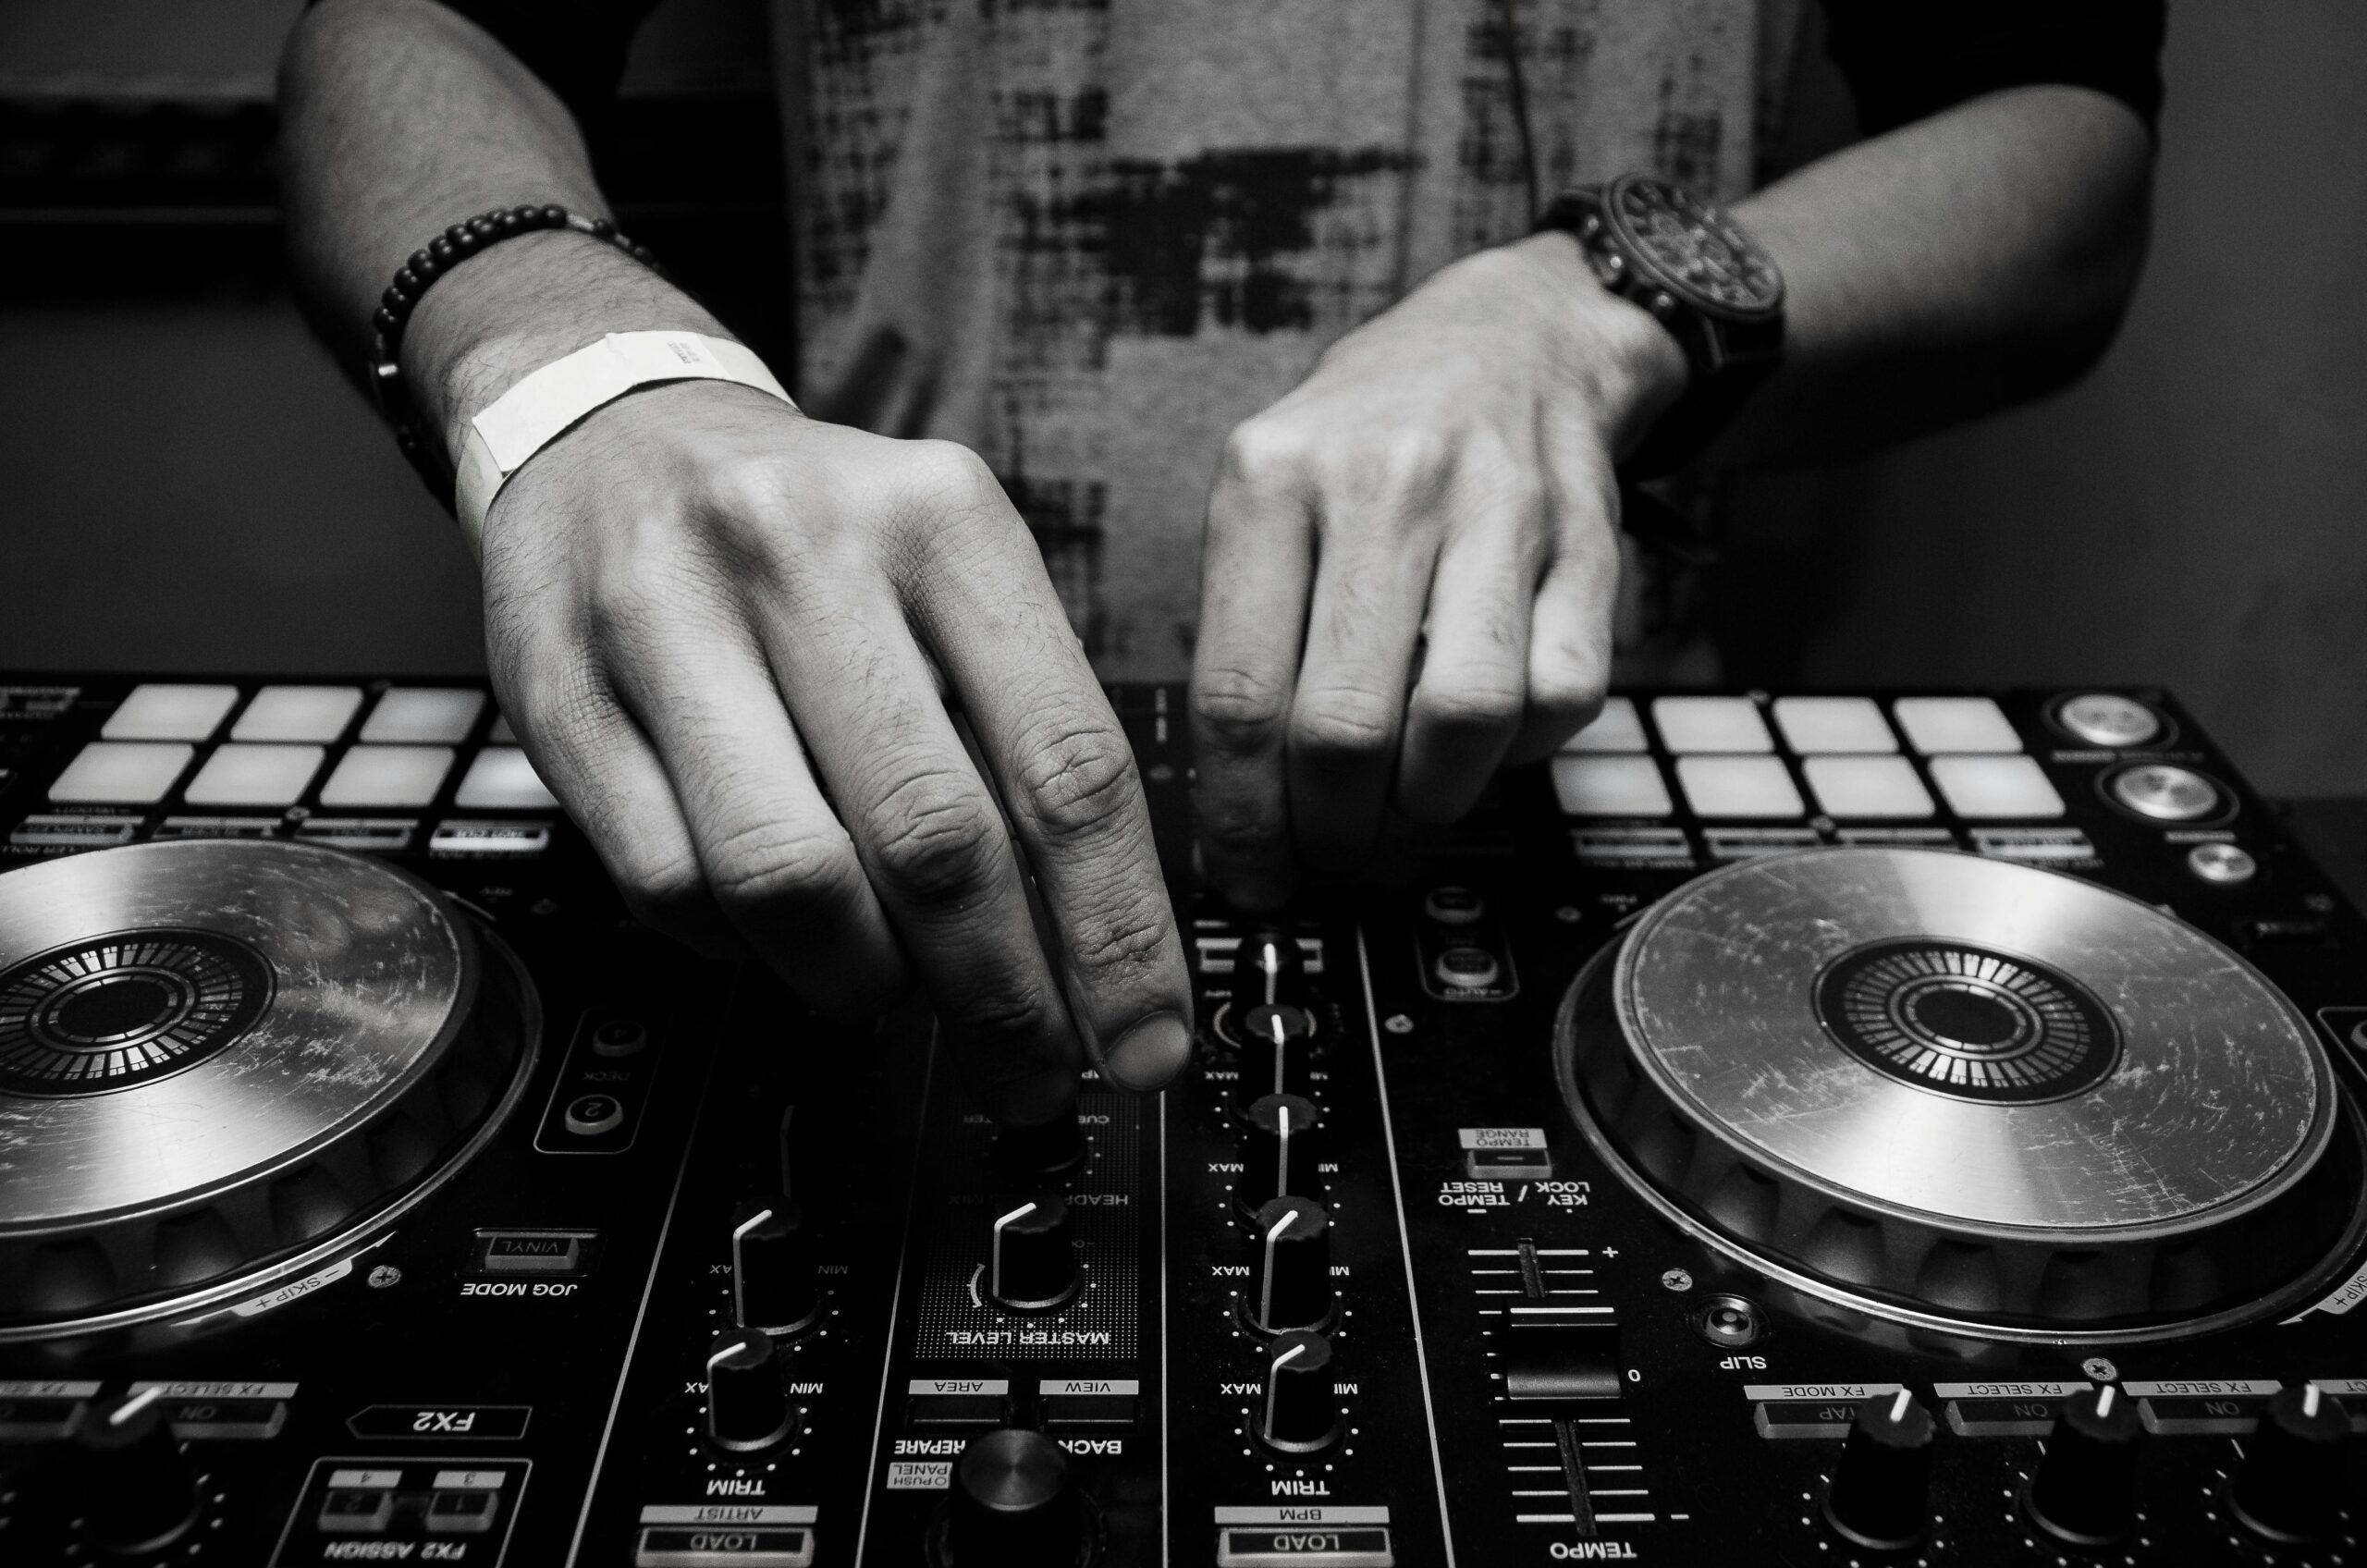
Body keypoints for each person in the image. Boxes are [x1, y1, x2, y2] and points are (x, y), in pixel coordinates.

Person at [277, 0, 2165, 1126]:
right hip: (822, 797)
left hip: (1569, 801)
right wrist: (577, 370)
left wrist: (1600, 310)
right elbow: (405, 26)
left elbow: (2061, 148)